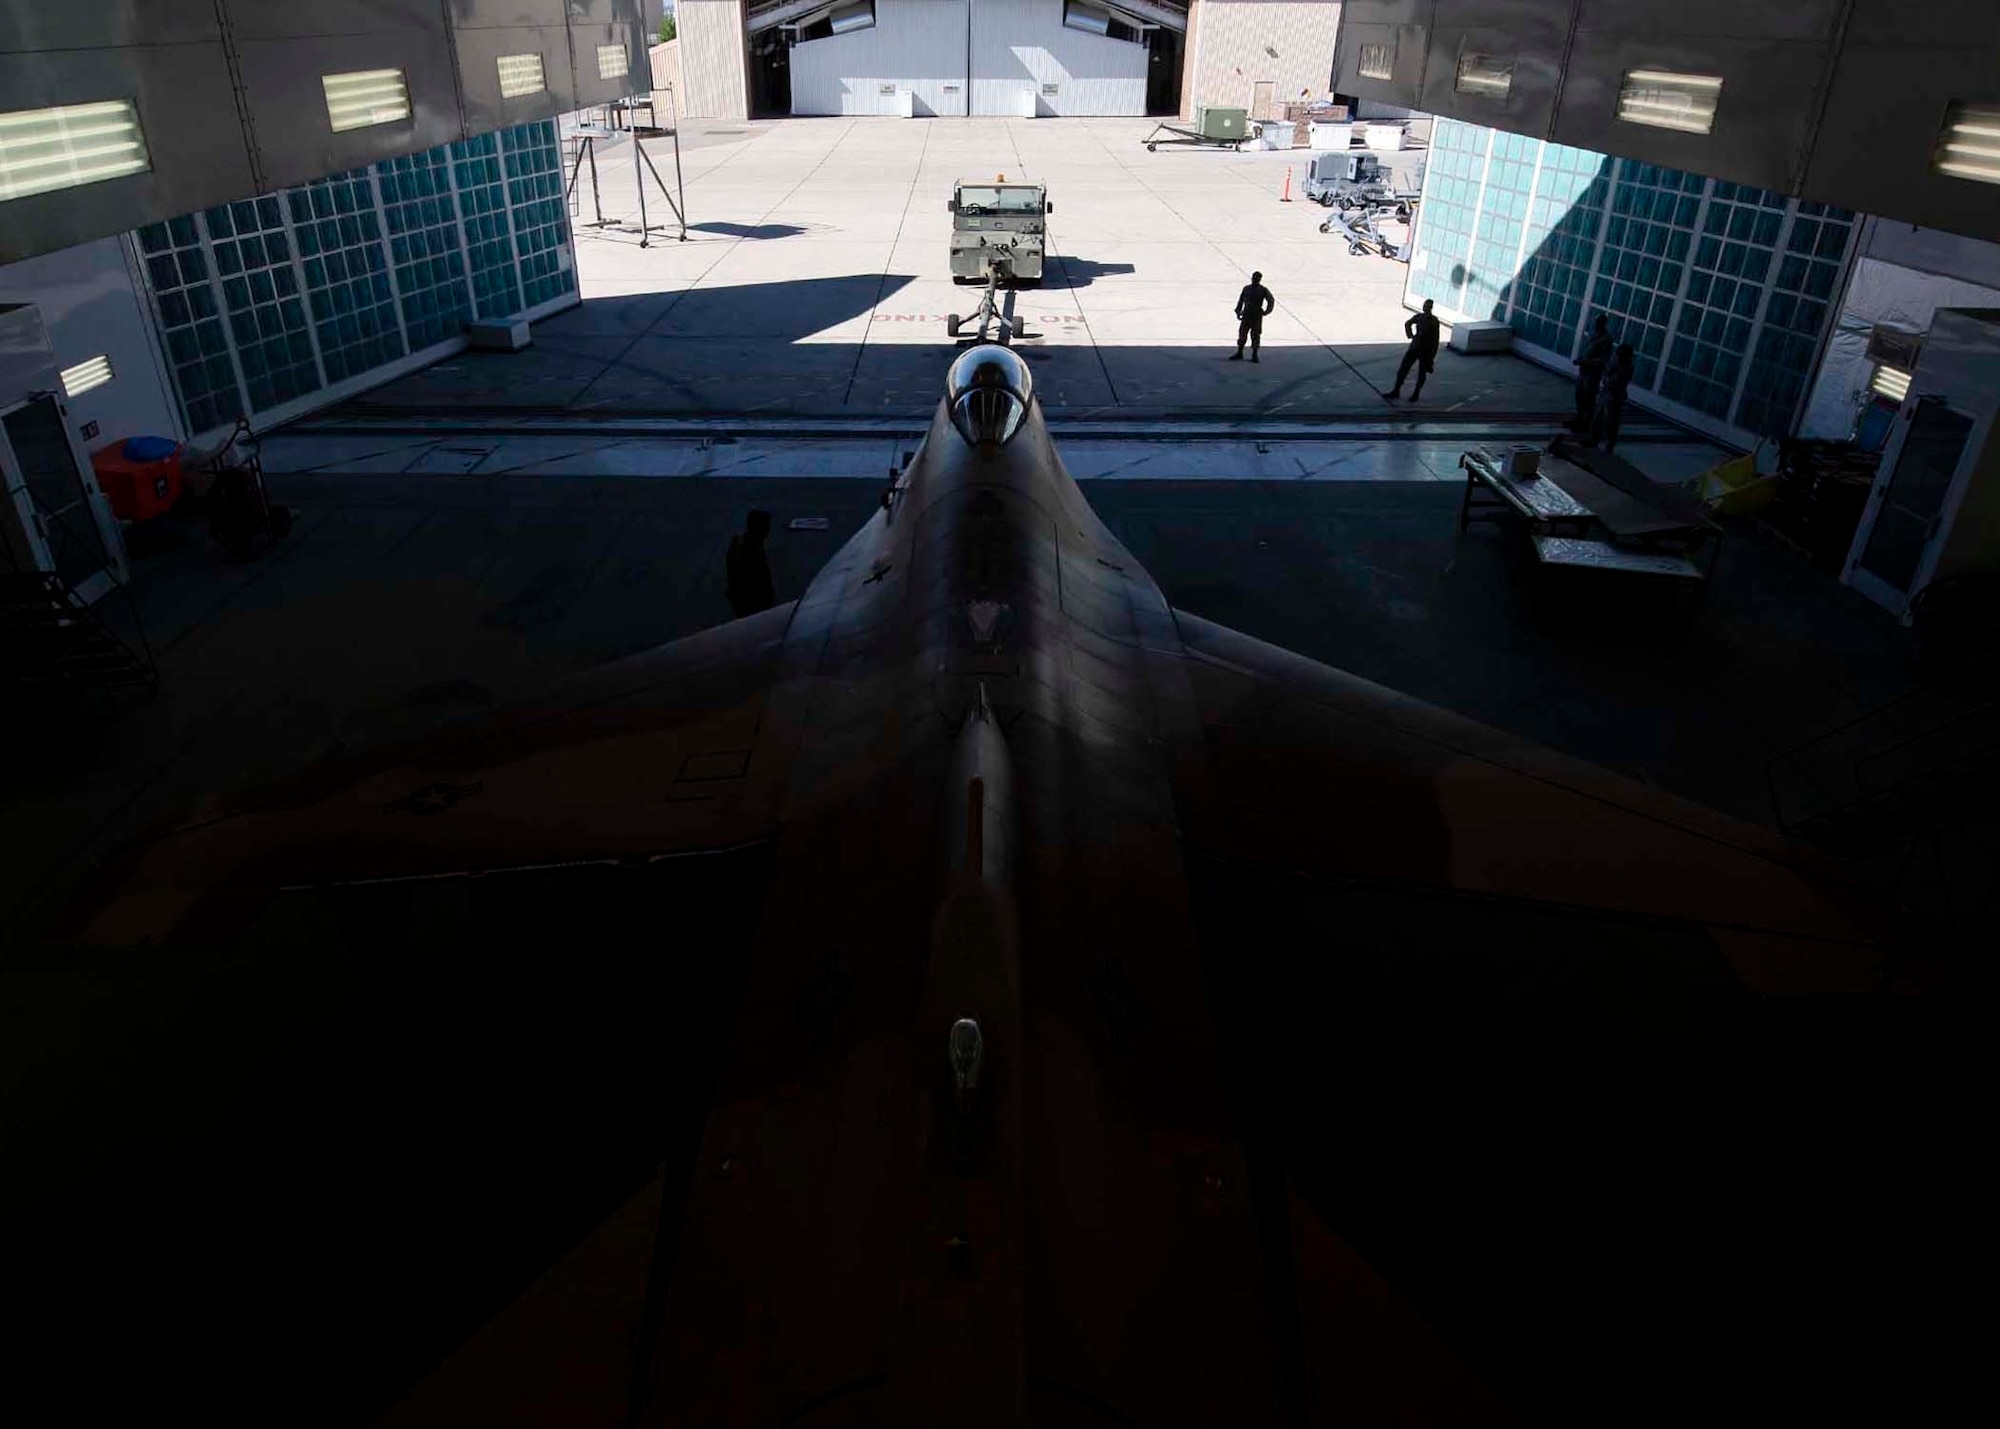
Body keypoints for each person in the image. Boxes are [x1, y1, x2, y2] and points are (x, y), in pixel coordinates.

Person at [1387, 299, 1442, 400]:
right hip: (1415, 347)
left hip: (1425, 351)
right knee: (1403, 368)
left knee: (1421, 373)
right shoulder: (1419, 317)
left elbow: (1435, 340)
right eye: (1425, 306)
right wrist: (1411, 335)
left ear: (1431, 308)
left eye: (1427, 306)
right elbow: (1408, 323)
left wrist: (1431, 357)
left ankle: (1416, 393)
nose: (1425, 308)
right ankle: (1396, 390)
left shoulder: (1434, 321)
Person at [725, 509, 775, 618]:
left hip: (742, 599)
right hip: (752, 602)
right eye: (766, 526)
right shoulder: (751, 551)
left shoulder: (738, 540)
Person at [1588, 344, 1636, 453]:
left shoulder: (1627, 367)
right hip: (1606, 393)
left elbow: (1614, 381)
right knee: (1598, 417)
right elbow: (1606, 375)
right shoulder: (1615, 363)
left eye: (1621, 355)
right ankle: (1594, 439)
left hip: (1615, 396)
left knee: (1610, 422)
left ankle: (1609, 444)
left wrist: (1608, 378)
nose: (1618, 356)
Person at [1573, 315, 1613, 432]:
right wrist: (1581, 359)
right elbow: (1587, 350)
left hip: (1593, 373)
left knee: (1588, 398)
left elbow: (1603, 359)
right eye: (1595, 322)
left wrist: (1586, 361)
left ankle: (1586, 422)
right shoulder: (1593, 335)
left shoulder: (1606, 339)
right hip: (1583, 370)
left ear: (1603, 323)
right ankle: (1579, 418)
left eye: (1598, 322)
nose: (1595, 324)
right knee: (1579, 395)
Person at [1231, 271, 1275, 362]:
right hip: (1247, 314)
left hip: (1256, 316)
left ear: (1259, 279)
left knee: (1255, 335)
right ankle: (1240, 352)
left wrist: (1267, 311)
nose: (1254, 280)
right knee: (1242, 333)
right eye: (1254, 278)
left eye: (1256, 278)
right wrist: (1238, 311)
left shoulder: (1263, 290)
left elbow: (1271, 300)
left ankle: (1254, 354)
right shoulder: (1246, 289)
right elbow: (1241, 300)